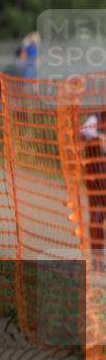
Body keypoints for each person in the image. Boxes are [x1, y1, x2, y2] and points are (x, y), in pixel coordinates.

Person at [80, 109, 106, 269]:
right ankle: (98, 260)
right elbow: (82, 133)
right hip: (97, 179)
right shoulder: (97, 118)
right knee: (97, 216)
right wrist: (98, 139)